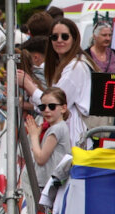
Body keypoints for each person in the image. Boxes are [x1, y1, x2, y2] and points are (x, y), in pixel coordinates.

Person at [17, 17, 91, 145]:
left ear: (74, 39)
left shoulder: (76, 67)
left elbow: (54, 105)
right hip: (62, 136)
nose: (59, 40)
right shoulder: (62, 66)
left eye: (65, 37)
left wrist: (29, 86)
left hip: (72, 139)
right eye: (54, 37)